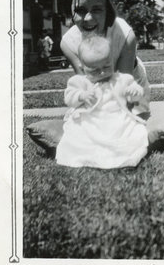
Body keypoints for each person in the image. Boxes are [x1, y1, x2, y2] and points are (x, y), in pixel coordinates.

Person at [60, 0, 150, 117]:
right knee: (79, 122)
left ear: (107, 10)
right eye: (80, 10)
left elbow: (123, 84)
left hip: (129, 86)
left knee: (128, 121)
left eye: (96, 10)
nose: (88, 18)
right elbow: (86, 80)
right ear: (69, 11)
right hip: (96, 84)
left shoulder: (124, 34)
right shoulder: (69, 43)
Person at [56, 36, 149, 169]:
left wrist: (134, 91)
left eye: (106, 66)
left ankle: (123, 158)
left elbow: (135, 95)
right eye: (94, 70)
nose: (102, 72)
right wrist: (81, 95)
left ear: (113, 61)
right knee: (80, 139)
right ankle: (91, 156)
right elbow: (69, 98)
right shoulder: (80, 82)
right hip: (90, 121)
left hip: (117, 119)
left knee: (132, 135)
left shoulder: (121, 79)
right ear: (82, 67)